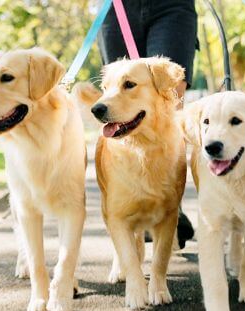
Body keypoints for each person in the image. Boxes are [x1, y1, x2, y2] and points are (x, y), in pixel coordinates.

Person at [98, 0, 198, 248]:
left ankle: (168, 203)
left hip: (173, 6)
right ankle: (129, 204)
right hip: (117, 7)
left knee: (168, 98)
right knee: (120, 102)